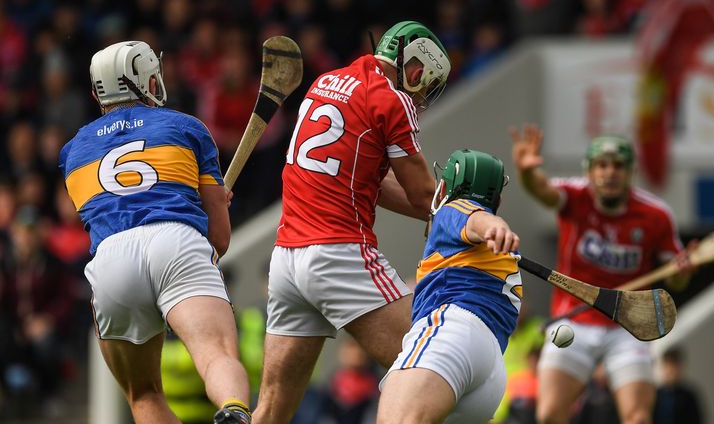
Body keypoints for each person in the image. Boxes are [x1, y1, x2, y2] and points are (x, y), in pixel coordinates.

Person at [253, 21, 451, 423]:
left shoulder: (327, 81)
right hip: (340, 255)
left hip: (287, 261)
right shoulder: (390, 99)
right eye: (426, 81)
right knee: (438, 366)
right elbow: (421, 193)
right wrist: (467, 212)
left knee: (271, 409)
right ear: (416, 66)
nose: (422, 92)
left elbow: (365, 182)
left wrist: (439, 210)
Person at [58, 40, 251, 424]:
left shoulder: (73, 149)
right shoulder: (187, 126)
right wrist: (210, 202)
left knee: (143, 393)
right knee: (216, 355)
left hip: (111, 257)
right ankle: (234, 410)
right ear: (146, 78)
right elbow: (221, 240)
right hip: (176, 241)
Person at [510, 124, 696, 424]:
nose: (610, 173)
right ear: (590, 170)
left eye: (618, 166)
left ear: (631, 172)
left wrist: (684, 271)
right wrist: (527, 173)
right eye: (602, 165)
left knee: (637, 417)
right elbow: (542, 191)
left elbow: (676, 276)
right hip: (574, 321)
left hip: (627, 327)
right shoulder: (574, 197)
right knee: (548, 415)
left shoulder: (656, 215)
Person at [378, 149, 522, 423]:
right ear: (498, 198)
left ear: (444, 187)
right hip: (489, 371)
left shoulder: (453, 210)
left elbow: (475, 217)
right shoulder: (499, 256)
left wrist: (494, 226)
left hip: (452, 335)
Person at [653, 347, 703, 424]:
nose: (670, 371)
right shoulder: (655, 394)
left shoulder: (688, 396)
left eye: (673, 367)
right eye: (667, 366)